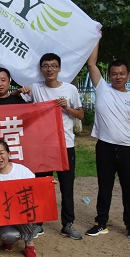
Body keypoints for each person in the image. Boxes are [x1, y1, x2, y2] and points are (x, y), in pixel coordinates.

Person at [85, 40, 130, 239]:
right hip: (104, 147)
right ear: (109, 75)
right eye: (114, 73)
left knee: (129, 189)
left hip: (127, 149)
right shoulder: (102, 89)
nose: (118, 77)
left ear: (128, 75)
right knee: (105, 187)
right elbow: (91, 64)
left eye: (122, 73)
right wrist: (96, 38)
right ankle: (101, 223)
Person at [20, 53, 84, 240]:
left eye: (54, 66)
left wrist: (67, 108)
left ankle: (67, 224)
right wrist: (21, 92)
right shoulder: (35, 88)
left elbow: (80, 114)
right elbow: (17, 101)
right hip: (43, 146)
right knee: (42, 185)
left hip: (65, 145)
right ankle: (38, 223)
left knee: (67, 185)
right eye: (46, 66)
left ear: (60, 69)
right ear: (41, 69)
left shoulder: (70, 89)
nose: (50, 69)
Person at [0, 140, 39, 257]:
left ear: (9, 154)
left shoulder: (22, 171)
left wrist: (48, 185)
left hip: (22, 214)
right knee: (9, 236)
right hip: (2, 217)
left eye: (1, 153)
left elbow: (36, 191)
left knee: (22, 209)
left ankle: (29, 244)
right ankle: (7, 240)